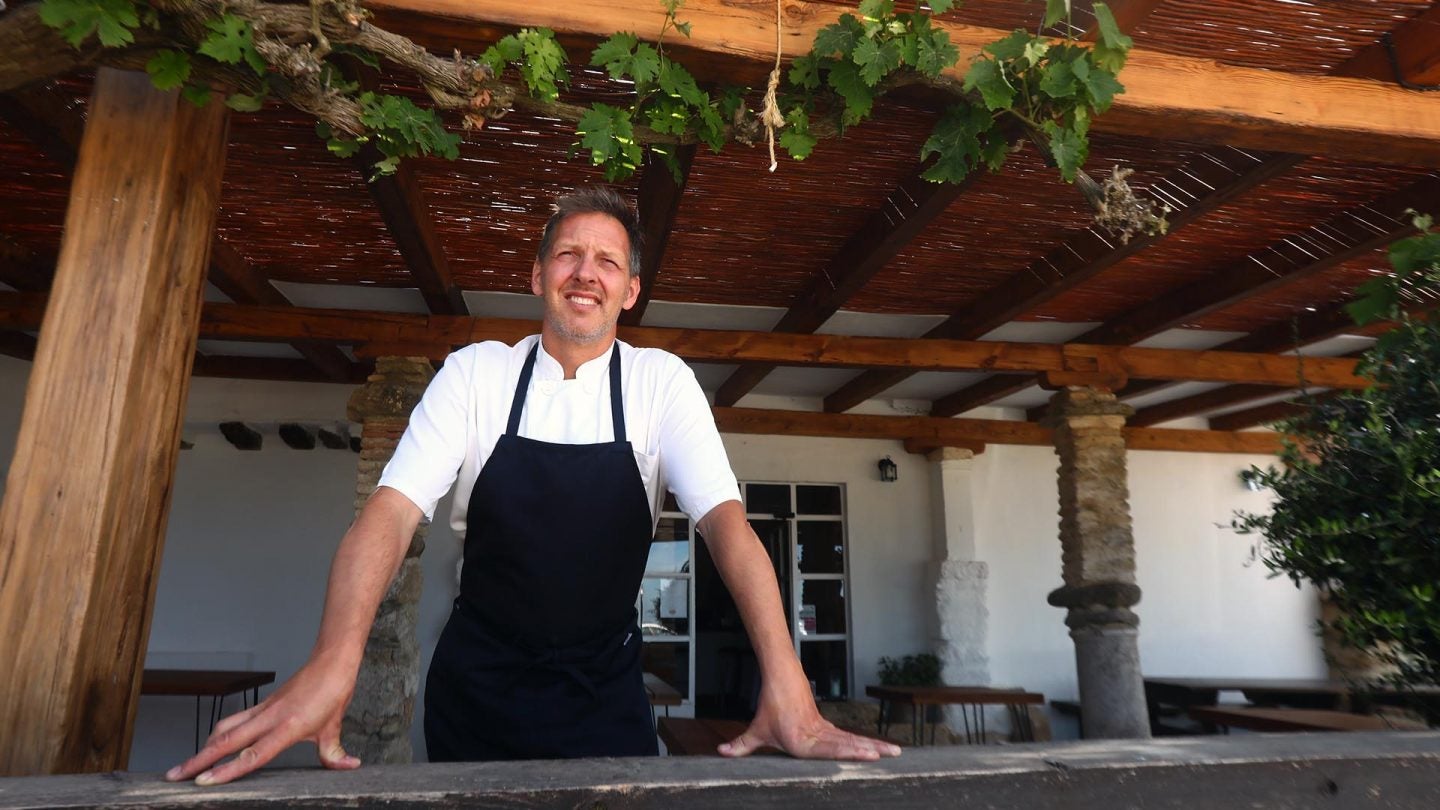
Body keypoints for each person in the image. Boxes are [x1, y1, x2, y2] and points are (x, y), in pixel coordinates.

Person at [165, 187, 898, 785]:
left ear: (631, 291)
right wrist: (336, 658)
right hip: (476, 691)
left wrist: (789, 683)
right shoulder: (476, 374)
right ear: (538, 274)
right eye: (569, 255)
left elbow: (728, 528)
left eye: (608, 261)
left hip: (606, 695)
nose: (587, 273)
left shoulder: (659, 384)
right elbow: (389, 516)